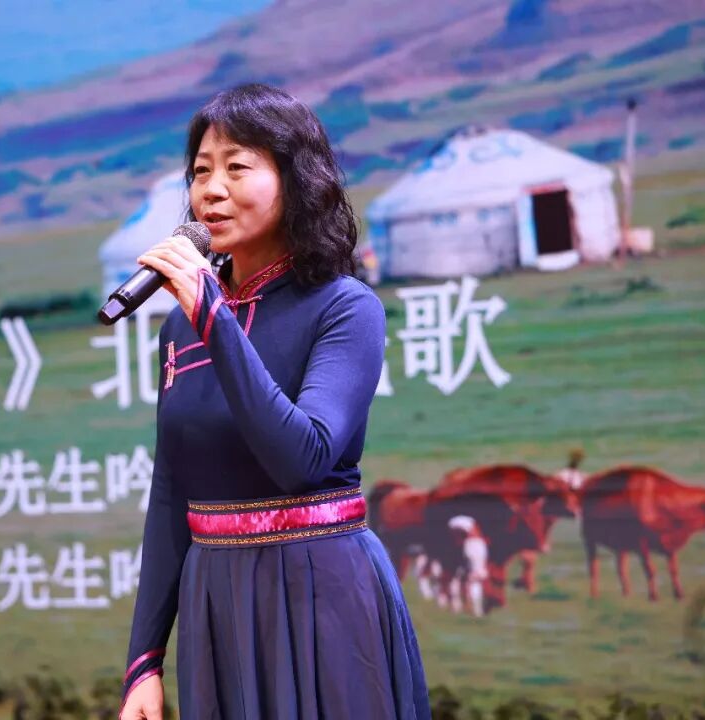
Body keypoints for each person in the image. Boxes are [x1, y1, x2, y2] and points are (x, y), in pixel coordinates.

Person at [121, 84, 429, 720]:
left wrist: (213, 317)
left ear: (296, 181)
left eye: (237, 167)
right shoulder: (182, 325)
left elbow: (302, 458)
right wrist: (143, 662)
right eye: (200, 171)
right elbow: (171, 491)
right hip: (215, 600)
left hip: (319, 590)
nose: (211, 190)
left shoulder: (345, 307)